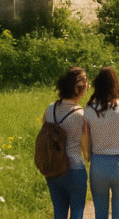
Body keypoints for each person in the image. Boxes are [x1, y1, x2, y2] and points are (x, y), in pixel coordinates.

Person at [84, 67, 119, 219]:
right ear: (116, 85)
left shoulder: (88, 110)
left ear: (96, 86)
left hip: (99, 167)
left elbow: (87, 152)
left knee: (100, 214)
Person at [44, 67, 90, 219]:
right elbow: (86, 148)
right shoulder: (81, 114)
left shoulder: (50, 108)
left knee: (59, 212)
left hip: (53, 168)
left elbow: (44, 136)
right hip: (75, 169)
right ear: (81, 90)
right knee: (77, 212)